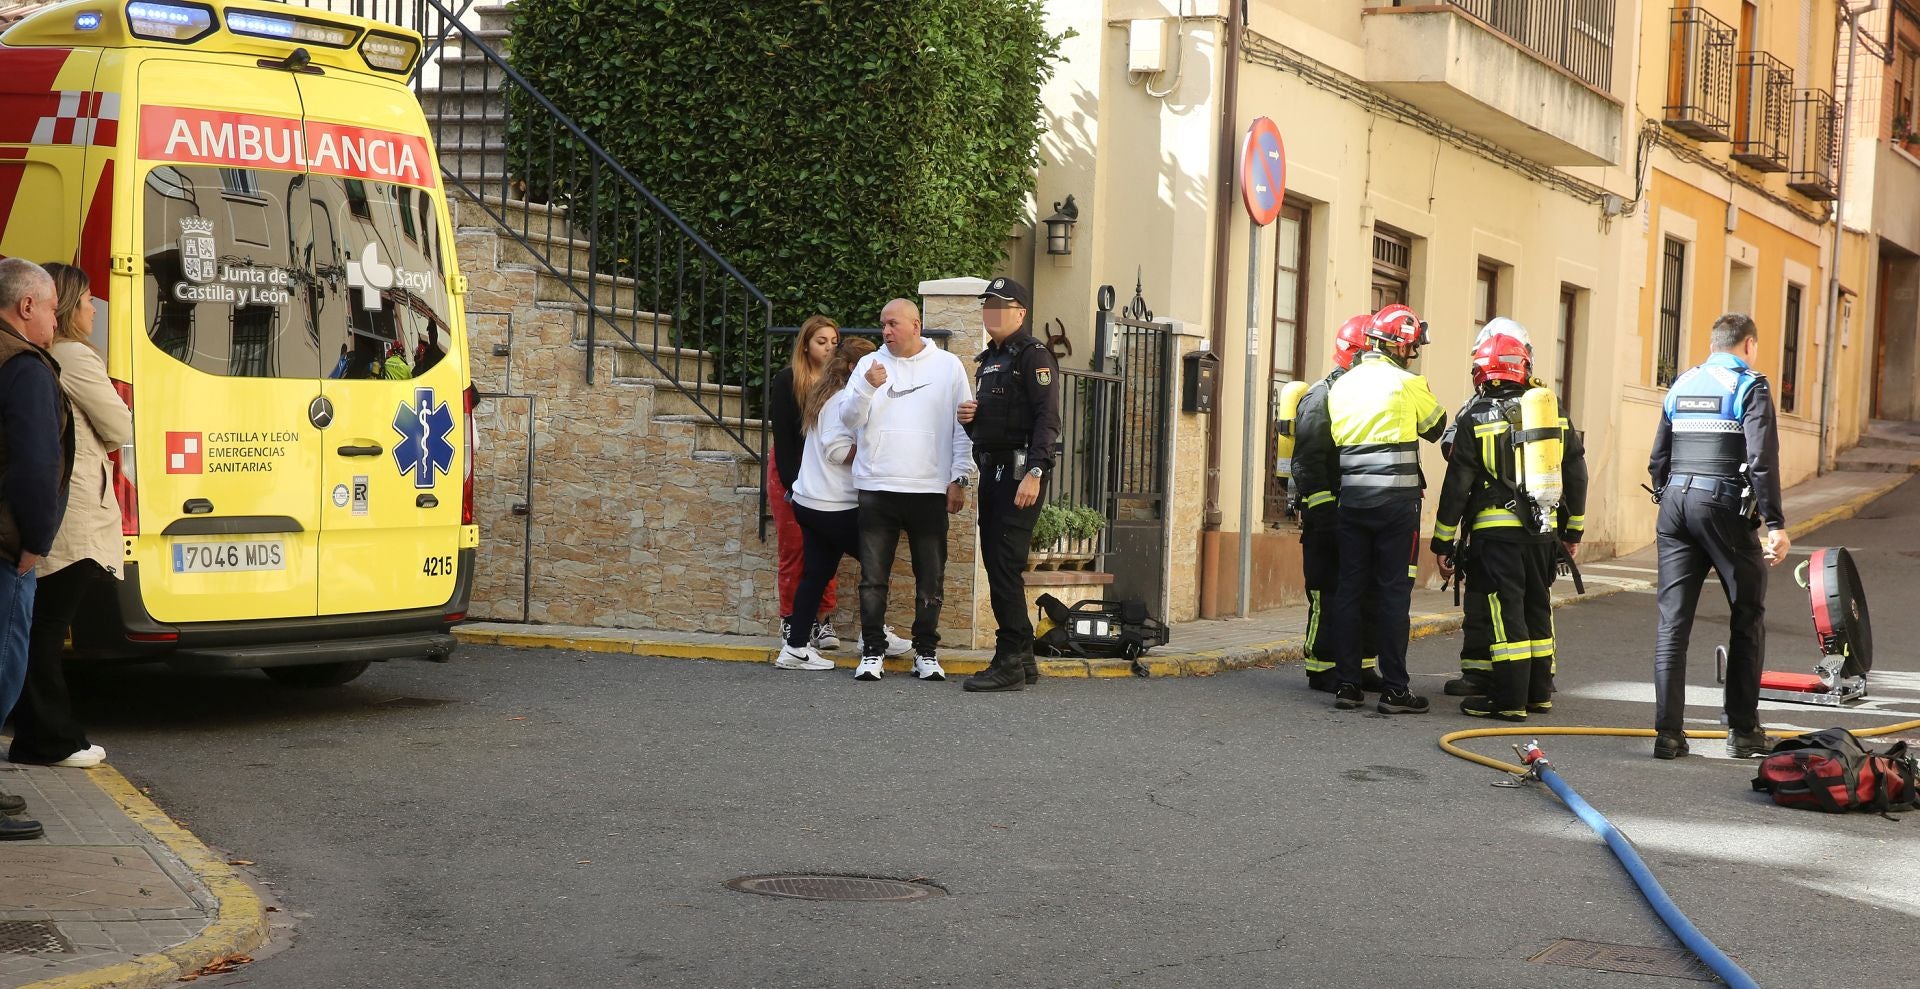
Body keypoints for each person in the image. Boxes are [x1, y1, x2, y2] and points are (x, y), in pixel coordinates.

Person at [1648, 312, 1788, 761]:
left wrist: (1672, 496)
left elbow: (1658, 458)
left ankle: (1668, 735)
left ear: (1713, 343)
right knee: (1747, 614)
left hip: (1674, 505)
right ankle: (1743, 731)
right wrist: (1776, 523)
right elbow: (1762, 459)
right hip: (1723, 507)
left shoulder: (1682, 384)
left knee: (1673, 623)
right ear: (1748, 344)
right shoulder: (1750, 385)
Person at [1430, 325, 1587, 722]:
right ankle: (1538, 694)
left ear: (1483, 372)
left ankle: (1508, 700)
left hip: (1496, 535)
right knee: (1537, 604)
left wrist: (1442, 542)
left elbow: (1457, 487)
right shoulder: (1551, 412)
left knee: (1505, 609)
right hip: (1542, 530)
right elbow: (1577, 473)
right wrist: (1572, 532)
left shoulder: (1475, 417)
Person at [10, 264, 129, 767]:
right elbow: (121, 424)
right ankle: (50, 738)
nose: (91, 312)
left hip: (63, 507)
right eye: (86, 304)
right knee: (44, 628)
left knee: (40, 626)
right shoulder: (74, 357)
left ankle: (44, 733)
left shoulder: (44, 356)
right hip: (73, 512)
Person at [841, 299, 974, 682]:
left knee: (930, 576)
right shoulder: (869, 366)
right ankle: (872, 652)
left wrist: (959, 477)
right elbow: (849, 420)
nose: (885, 331)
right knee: (872, 577)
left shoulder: (948, 367)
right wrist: (867, 388)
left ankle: (926, 653)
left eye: (893, 324)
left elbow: (962, 427)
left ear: (916, 325)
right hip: (877, 486)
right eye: (883, 324)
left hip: (929, 489)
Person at [1324, 303, 1446, 714]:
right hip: (1396, 506)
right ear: (1399, 347)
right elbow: (1436, 428)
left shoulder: (1341, 385)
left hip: (1352, 500)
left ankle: (1346, 683)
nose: (1413, 355)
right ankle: (1395, 689)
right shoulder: (1406, 382)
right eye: (1412, 348)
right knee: (1394, 593)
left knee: (1350, 590)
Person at [957, 277, 1060, 693]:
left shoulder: (1032, 356)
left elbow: (1047, 421)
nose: (992, 313)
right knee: (1000, 565)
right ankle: (1024, 660)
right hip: (993, 471)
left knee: (1004, 567)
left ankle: (1008, 661)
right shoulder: (989, 360)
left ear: (1020, 312)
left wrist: (1035, 473)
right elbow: (993, 427)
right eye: (988, 306)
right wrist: (971, 420)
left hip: (1019, 474)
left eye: (1001, 306)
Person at [0, 258, 73, 841]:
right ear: (26, 306)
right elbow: (34, 465)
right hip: (7, 548)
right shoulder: (24, 368)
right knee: (5, 666)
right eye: (51, 307)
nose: (57, 318)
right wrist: (36, 544)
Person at [1289, 313, 1384, 693]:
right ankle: (1321, 664)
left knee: (1365, 590)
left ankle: (1361, 664)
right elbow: (1308, 459)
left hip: (1359, 509)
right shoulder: (1322, 395)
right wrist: (1325, 510)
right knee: (1326, 590)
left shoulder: (1368, 394)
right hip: (1327, 513)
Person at [775, 337, 880, 670]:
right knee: (878, 561)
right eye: (871, 366)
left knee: (816, 573)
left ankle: (794, 649)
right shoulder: (840, 400)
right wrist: (878, 456)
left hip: (812, 502)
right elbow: (837, 452)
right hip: (831, 505)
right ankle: (874, 637)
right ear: (853, 368)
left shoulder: (830, 393)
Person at [768, 316, 844, 651]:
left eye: (833, 342)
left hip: (825, 476)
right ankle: (790, 620)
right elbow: (784, 438)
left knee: (826, 548)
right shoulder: (787, 380)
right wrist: (791, 485)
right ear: (806, 345)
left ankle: (822, 620)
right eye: (821, 341)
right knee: (794, 549)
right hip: (791, 473)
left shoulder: (840, 383)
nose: (828, 348)